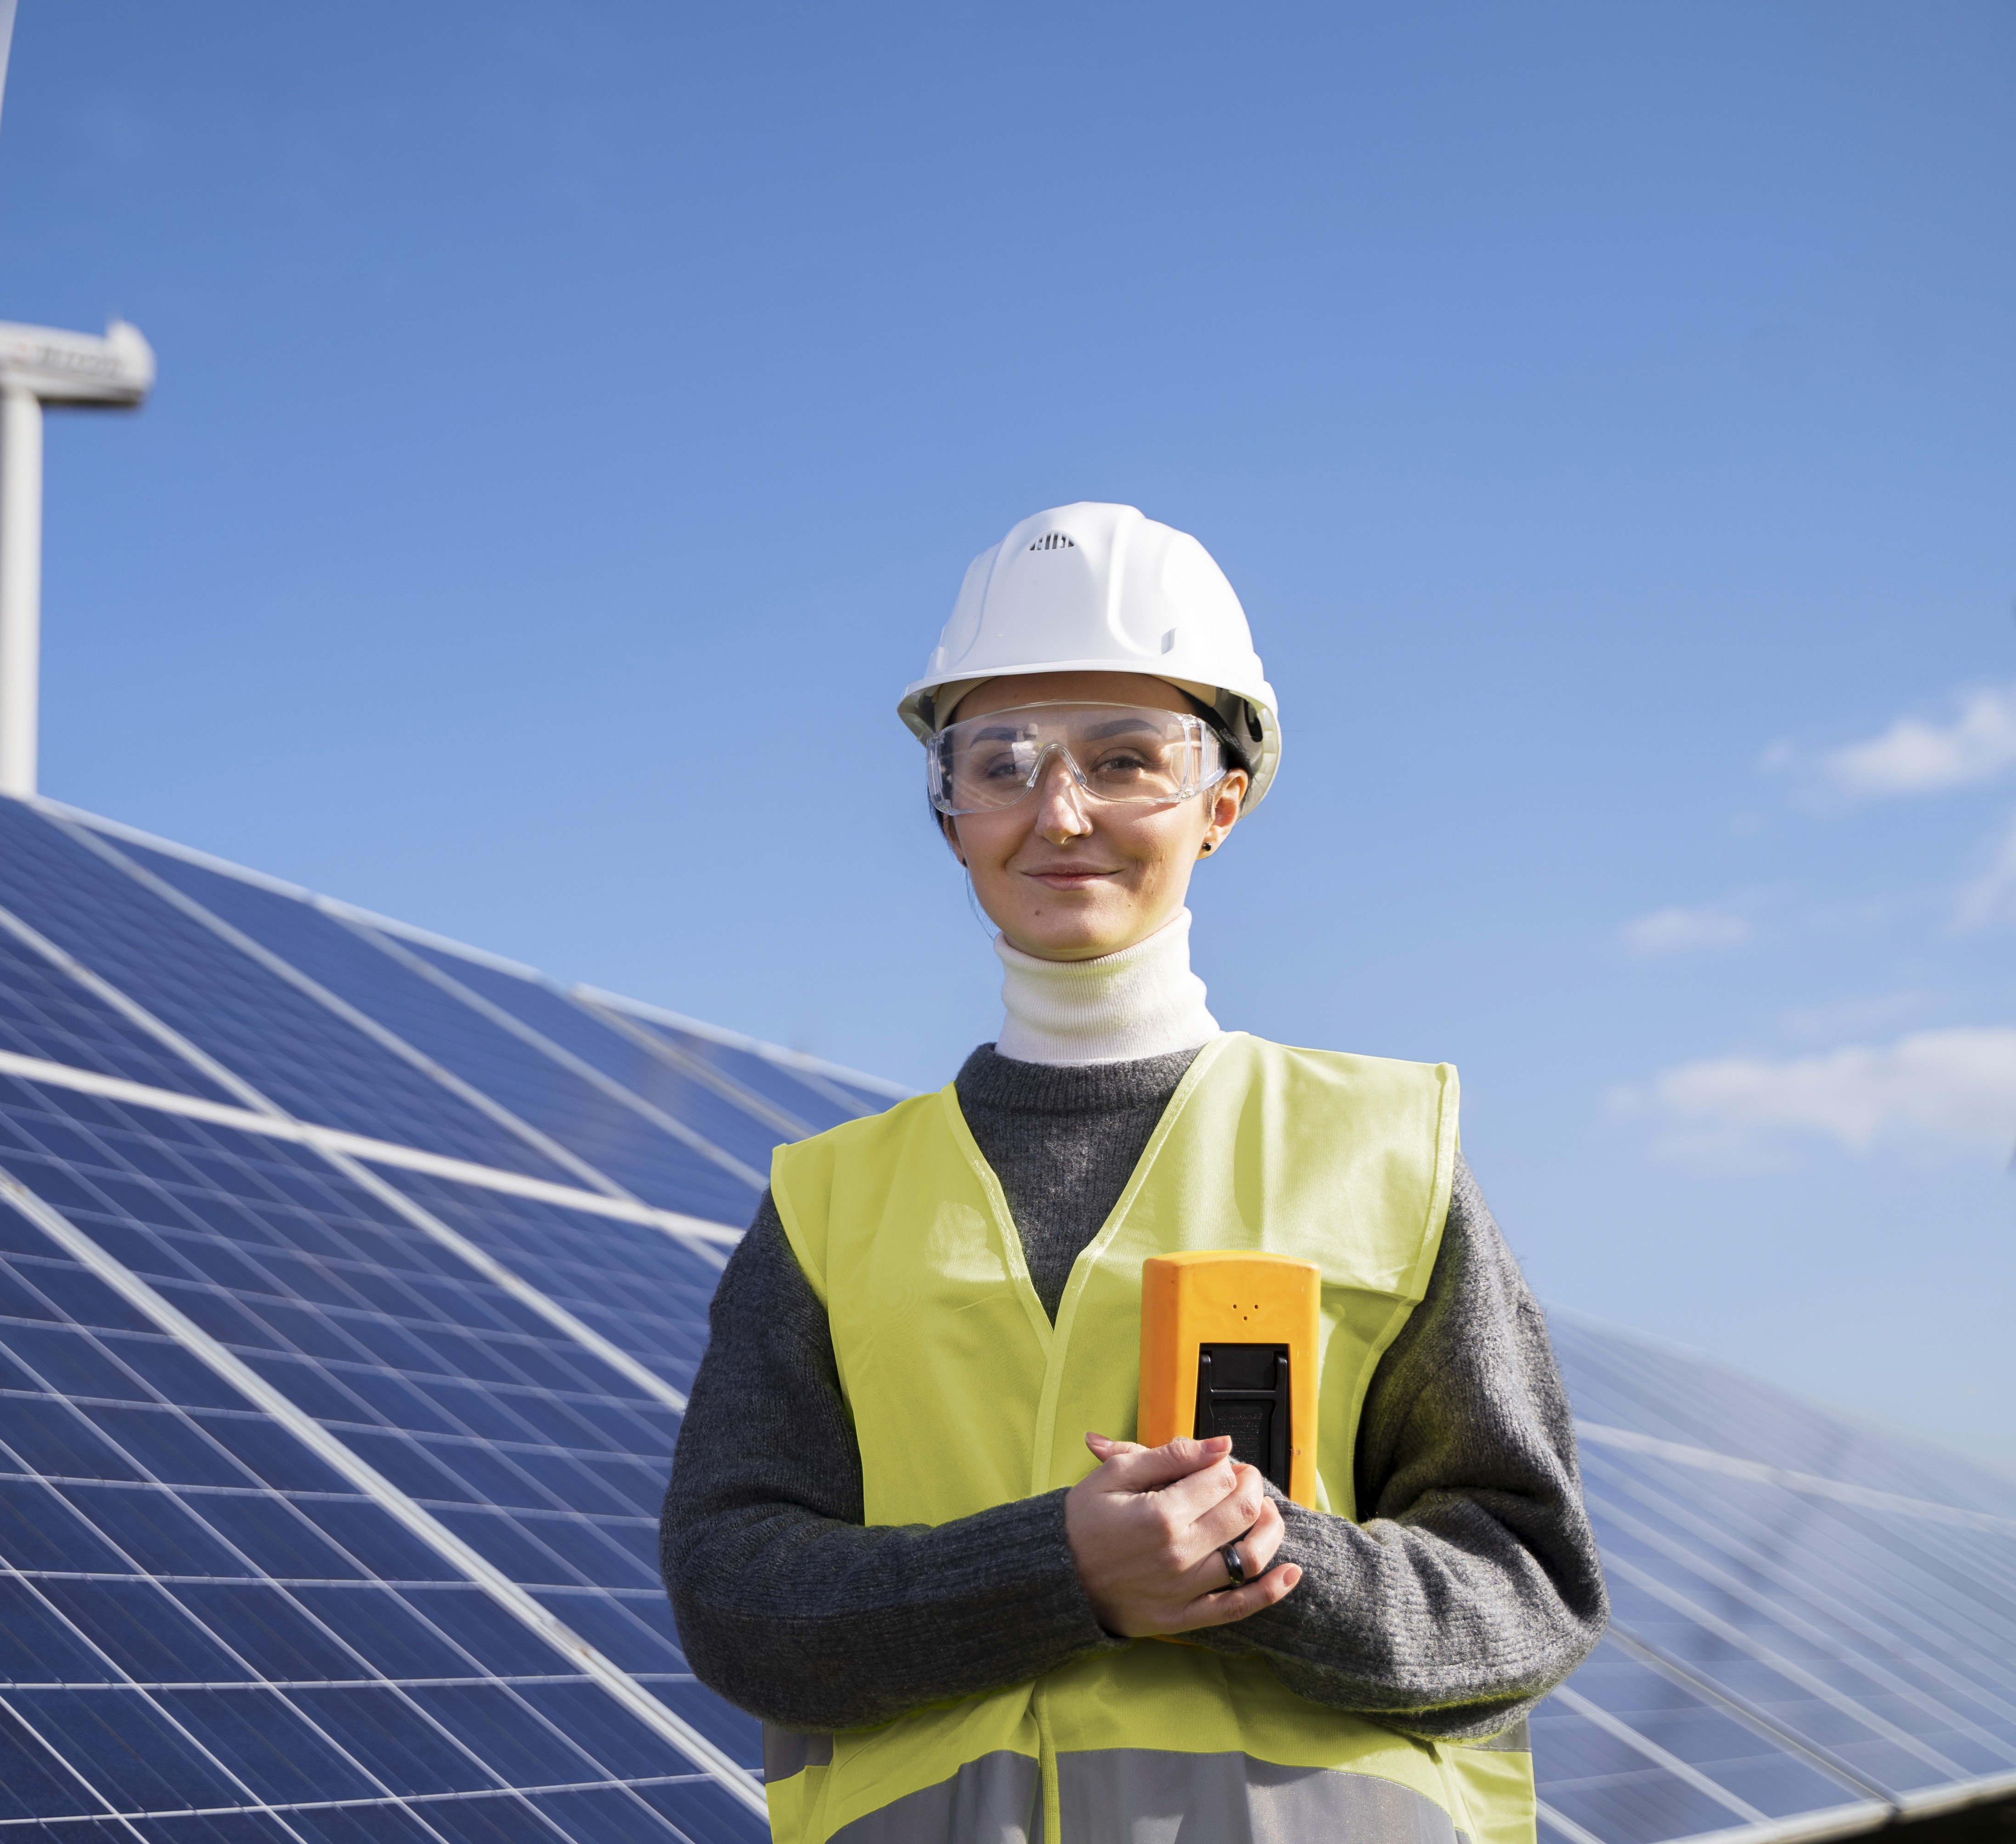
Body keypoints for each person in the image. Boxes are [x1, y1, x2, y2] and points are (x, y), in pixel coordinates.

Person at [659, 503, 1605, 1844]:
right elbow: (735, 1597)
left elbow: (1527, 1584)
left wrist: (1262, 1564)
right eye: (1003, 763)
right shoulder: (827, 1204)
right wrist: (1060, 1572)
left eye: (1124, 760)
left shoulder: (1388, 1149)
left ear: (1218, 804)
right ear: (948, 813)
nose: (1061, 813)